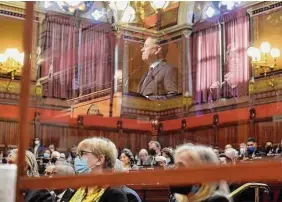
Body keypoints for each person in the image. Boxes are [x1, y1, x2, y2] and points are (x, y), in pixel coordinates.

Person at [69, 137, 128, 202]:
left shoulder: (115, 196)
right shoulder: (79, 190)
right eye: (78, 155)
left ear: (100, 160)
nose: (77, 159)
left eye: (83, 154)